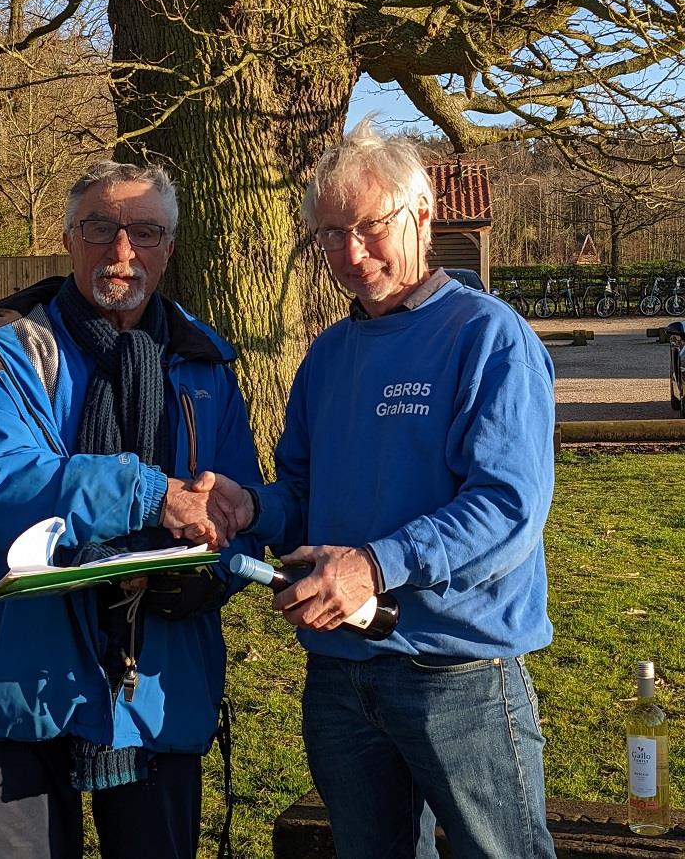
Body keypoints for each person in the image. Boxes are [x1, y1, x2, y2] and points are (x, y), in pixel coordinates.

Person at [210, 119, 558, 859]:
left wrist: (373, 564)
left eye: (370, 226)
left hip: (455, 670)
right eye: (332, 234)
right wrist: (251, 506)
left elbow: (507, 507)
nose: (351, 250)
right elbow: (303, 493)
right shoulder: (330, 354)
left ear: (423, 216)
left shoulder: (487, 337)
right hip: (341, 674)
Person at [0, 160, 261, 859]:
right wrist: (149, 495)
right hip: (21, 680)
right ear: (68, 238)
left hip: (157, 683)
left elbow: (241, 512)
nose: (122, 251)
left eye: (145, 232)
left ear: (169, 248)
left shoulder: (203, 365)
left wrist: (208, 571)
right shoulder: (8, 349)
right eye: (99, 228)